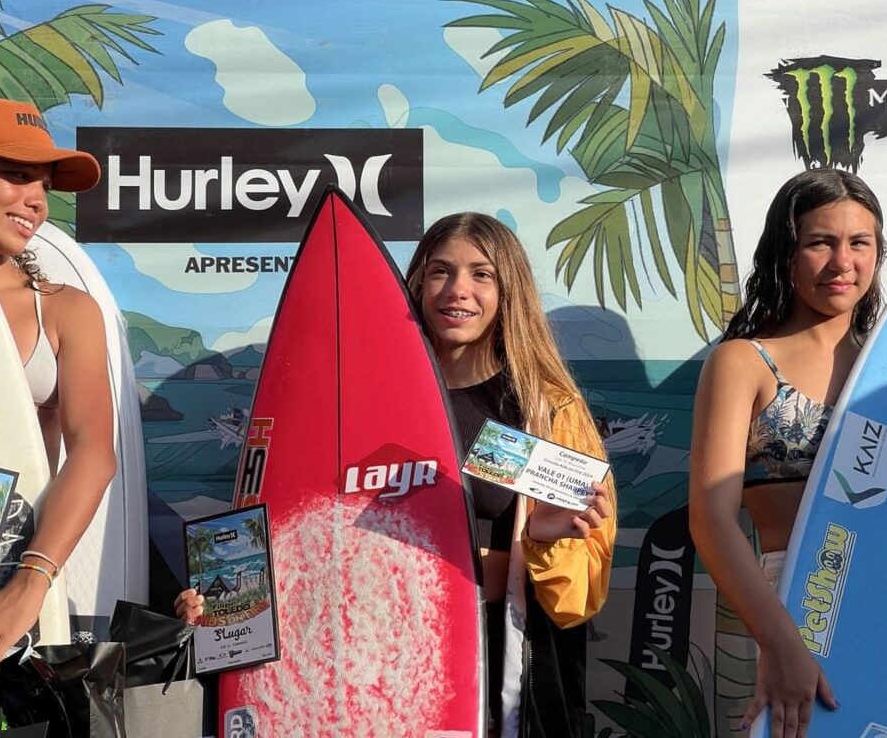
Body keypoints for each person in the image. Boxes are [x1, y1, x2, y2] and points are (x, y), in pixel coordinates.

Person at [176, 212, 617, 738]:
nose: (458, 290)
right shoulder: (356, 405)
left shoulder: (544, 412)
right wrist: (221, 612)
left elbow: (575, 603)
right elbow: (295, 526)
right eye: (440, 271)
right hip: (360, 676)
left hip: (493, 682)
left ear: (509, 291)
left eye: (482, 274)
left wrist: (541, 544)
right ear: (416, 283)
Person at [688, 168, 885, 738]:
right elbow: (710, 517)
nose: (842, 261)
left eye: (859, 243)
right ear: (786, 250)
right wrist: (782, 642)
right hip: (793, 607)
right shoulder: (744, 362)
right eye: (820, 242)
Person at [0, 96, 116, 665]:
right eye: (14, 174)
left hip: (10, 593)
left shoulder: (65, 309)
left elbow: (93, 453)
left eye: (44, 184)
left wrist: (28, 588)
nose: (35, 199)